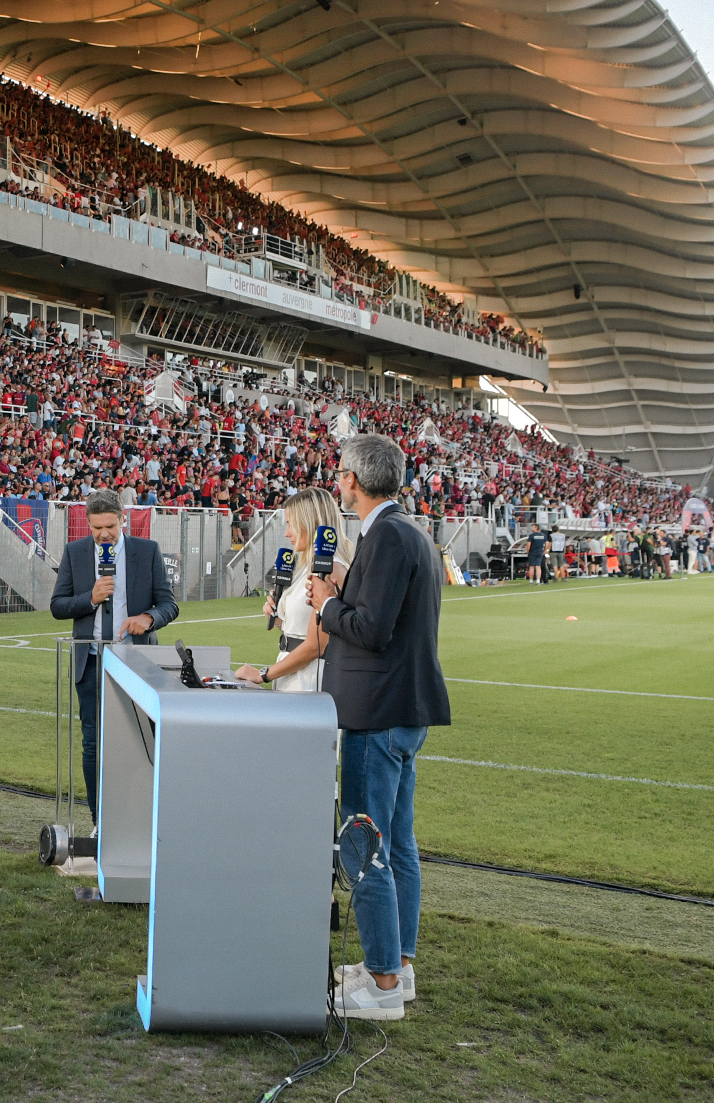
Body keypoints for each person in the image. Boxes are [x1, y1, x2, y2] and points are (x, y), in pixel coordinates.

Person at [310, 434, 452, 1023]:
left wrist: (326, 607)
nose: (337, 480)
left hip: (379, 713)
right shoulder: (405, 533)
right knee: (398, 846)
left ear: (352, 479)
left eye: (340, 473)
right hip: (399, 709)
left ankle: (384, 980)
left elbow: (372, 629)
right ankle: (396, 964)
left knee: (366, 846)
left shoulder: (390, 535)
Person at [49, 488, 178, 829]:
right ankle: (99, 821)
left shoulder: (146, 552)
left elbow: (169, 603)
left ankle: (142, 819)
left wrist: (148, 618)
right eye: (96, 528)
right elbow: (57, 606)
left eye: (110, 525)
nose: (104, 534)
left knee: (143, 742)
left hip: (136, 663)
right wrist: (89, 598)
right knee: (92, 743)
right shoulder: (75, 553)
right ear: (88, 525)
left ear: (124, 519)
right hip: (91, 663)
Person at [235, 487, 354, 692]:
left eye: (291, 524)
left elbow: (317, 644)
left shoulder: (330, 568)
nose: (287, 532)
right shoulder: (307, 567)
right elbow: (304, 632)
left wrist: (263, 674)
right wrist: (279, 620)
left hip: (311, 682)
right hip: (296, 678)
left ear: (309, 523)